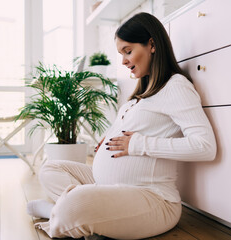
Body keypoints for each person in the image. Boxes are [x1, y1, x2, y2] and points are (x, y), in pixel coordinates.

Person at [27, 12, 217, 239]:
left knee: (75, 203)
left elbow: (205, 146)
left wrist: (138, 144)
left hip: (153, 198)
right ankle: (85, 211)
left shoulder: (175, 86)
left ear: (152, 45)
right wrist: (106, 140)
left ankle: (60, 211)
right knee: (51, 169)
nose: (124, 61)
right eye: (121, 54)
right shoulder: (141, 95)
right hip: (105, 183)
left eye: (128, 51)